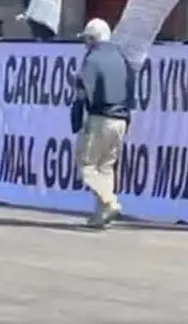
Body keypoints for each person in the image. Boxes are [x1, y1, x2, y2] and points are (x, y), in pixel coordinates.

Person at [71, 18, 134, 229]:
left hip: (101, 118)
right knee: (106, 167)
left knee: (87, 166)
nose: (85, 45)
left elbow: (83, 91)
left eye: (86, 40)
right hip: (121, 119)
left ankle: (110, 202)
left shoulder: (93, 58)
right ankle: (101, 215)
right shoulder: (121, 56)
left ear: (92, 39)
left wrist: (75, 85)